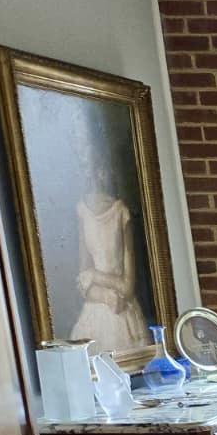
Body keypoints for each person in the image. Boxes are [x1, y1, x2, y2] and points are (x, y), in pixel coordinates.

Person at [71, 144, 147, 354]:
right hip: (96, 309)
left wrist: (95, 276)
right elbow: (82, 280)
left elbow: (127, 287)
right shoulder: (82, 211)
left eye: (108, 169)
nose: (106, 174)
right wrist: (104, 296)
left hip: (123, 311)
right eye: (101, 168)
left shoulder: (121, 211)